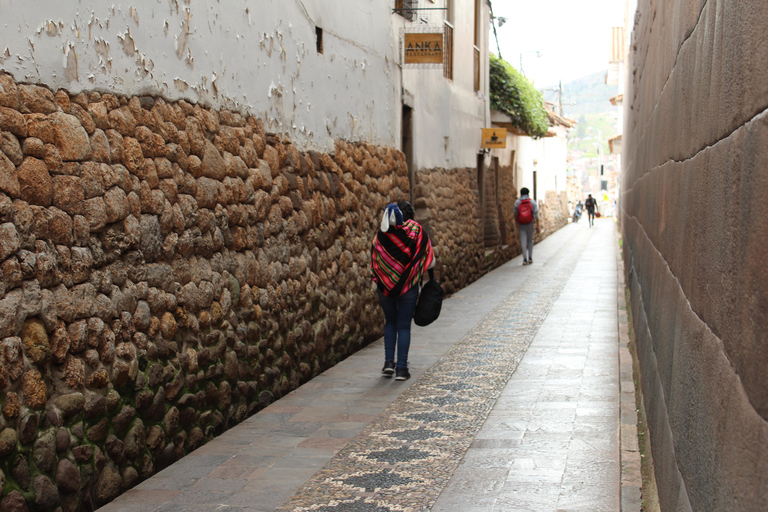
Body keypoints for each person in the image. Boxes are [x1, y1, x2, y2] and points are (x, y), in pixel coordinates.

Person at [371, 202, 434, 380]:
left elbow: (375, 259)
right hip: (408, 286)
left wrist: (385, 277)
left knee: (390, 322)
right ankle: (401, 369)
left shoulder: (381, 234)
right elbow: (429, 259)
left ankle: (388, 363)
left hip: (384, 287)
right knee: (404, 326)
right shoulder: (416, 231)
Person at [514, 187, 539, 265]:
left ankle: (524, 259)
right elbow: (536, 214)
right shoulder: (532, 202)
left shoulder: (517, 202)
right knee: (530, 240)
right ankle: (530, 258)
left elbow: (515, 214)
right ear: (528, 193)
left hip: (521, 224)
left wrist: (516, 223)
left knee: (523, 241)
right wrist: (538, 224)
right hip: (530, 223)